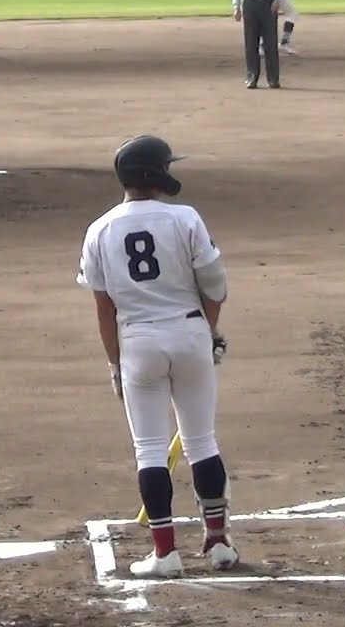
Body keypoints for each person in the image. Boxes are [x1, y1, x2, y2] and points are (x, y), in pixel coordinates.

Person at [75, 135, 240, 578]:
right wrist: (207, 331)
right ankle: (219, 541)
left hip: (137, 341)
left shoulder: (101, 229)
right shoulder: (185, 219)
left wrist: (114, 363)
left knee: (149, 449)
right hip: (189, 332)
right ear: (156, 173)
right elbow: (216, 287)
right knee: (201, 441)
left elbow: (104, 310)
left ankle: (165, 553)